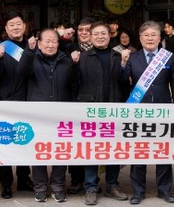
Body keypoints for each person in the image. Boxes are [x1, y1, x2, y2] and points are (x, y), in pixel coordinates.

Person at [122, 21, 174, 204]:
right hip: (138, 111)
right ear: (140, 38)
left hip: (163, 110)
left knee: (163, 151)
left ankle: (164, 190)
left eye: (153, 35)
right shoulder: (132, 57)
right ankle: (138, 191)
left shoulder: (168, 57)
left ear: (159, 38)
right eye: (146, 35)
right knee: (139, 152)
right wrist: (123, 63)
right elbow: (123, 81)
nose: (150, 38)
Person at [18, 28, 79, 203]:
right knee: (40, 150)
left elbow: (74, 83)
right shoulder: (32, 58)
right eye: (47, 41)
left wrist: (75, 64)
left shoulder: (66, 61)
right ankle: (40, 187)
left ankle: (58, 186)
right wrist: (29, 51)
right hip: (38, 114)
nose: (50, 45)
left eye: (54, 41)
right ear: (39, 43)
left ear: (58, 44)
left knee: (61, 150)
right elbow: (22, 71)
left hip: (62, 114)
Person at [74, 21, 128, 206]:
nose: (99, 36)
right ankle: (91, 187)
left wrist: (124, 65)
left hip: (113, 108)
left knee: (113, 148)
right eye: (95, 33)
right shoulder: (83, 57)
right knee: (91, 149)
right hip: (89, 110)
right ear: (90, 36)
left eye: (103, 33)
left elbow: (124, 82)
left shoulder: (118, 56)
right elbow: (74, 83)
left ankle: (112, 185)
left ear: (110, 35)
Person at [0, 11, 34, 199]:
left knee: (25, 140)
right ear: (6, 29)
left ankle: (24, 179)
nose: (15, 27)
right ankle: (6, 184)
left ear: (24, 26)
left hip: (28, 101)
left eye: (18, 24)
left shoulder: (33, 45)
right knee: (5, 143)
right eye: (11, 25)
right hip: (6, 101)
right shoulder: (1, 48)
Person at [66, 17, 95, 195]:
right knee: (75, 142)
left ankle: (92, 180)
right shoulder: (69, 48)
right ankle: (76, 179)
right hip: (73, 101)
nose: (84, 33)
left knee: (92, 143)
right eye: (80, 30)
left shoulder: (100, 49)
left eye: (87, 30)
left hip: (94, 102)